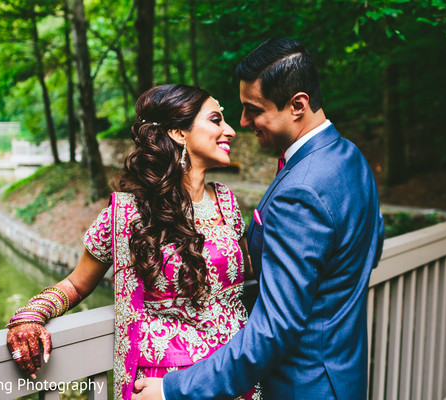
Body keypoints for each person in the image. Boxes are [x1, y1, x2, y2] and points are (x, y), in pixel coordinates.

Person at [134, 38, 384, 400]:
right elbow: (370, 246)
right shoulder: (350, 157)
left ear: (298, 104)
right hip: (344, 375)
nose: (243, 122)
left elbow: (275, 329)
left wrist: (175, 389)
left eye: (254, 109)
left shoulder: (300, 190)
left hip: (304, 385)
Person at [5, 84, 262, 400]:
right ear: (179, 133)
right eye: (216, 120)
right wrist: (31, 315)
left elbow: (247, 277)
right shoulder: (129, 212)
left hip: (233, 373)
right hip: (166, 383)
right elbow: (77, 284)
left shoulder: (226, 201)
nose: (231, 131)